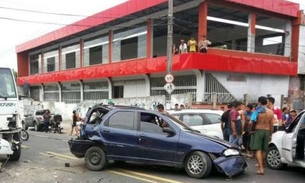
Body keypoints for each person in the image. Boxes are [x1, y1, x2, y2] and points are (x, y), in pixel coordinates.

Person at [250, 96, 274, 175]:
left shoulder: (257, 110)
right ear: (266, 103)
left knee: (258, 150)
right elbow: (272, 124)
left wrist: (251, 130)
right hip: (267, 131)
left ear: (259, 102)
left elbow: (251, 122)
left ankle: (260, 169)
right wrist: (271, 134)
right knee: (264, 149)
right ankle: (262, 165)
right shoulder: (271, 112)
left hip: (258, 130)